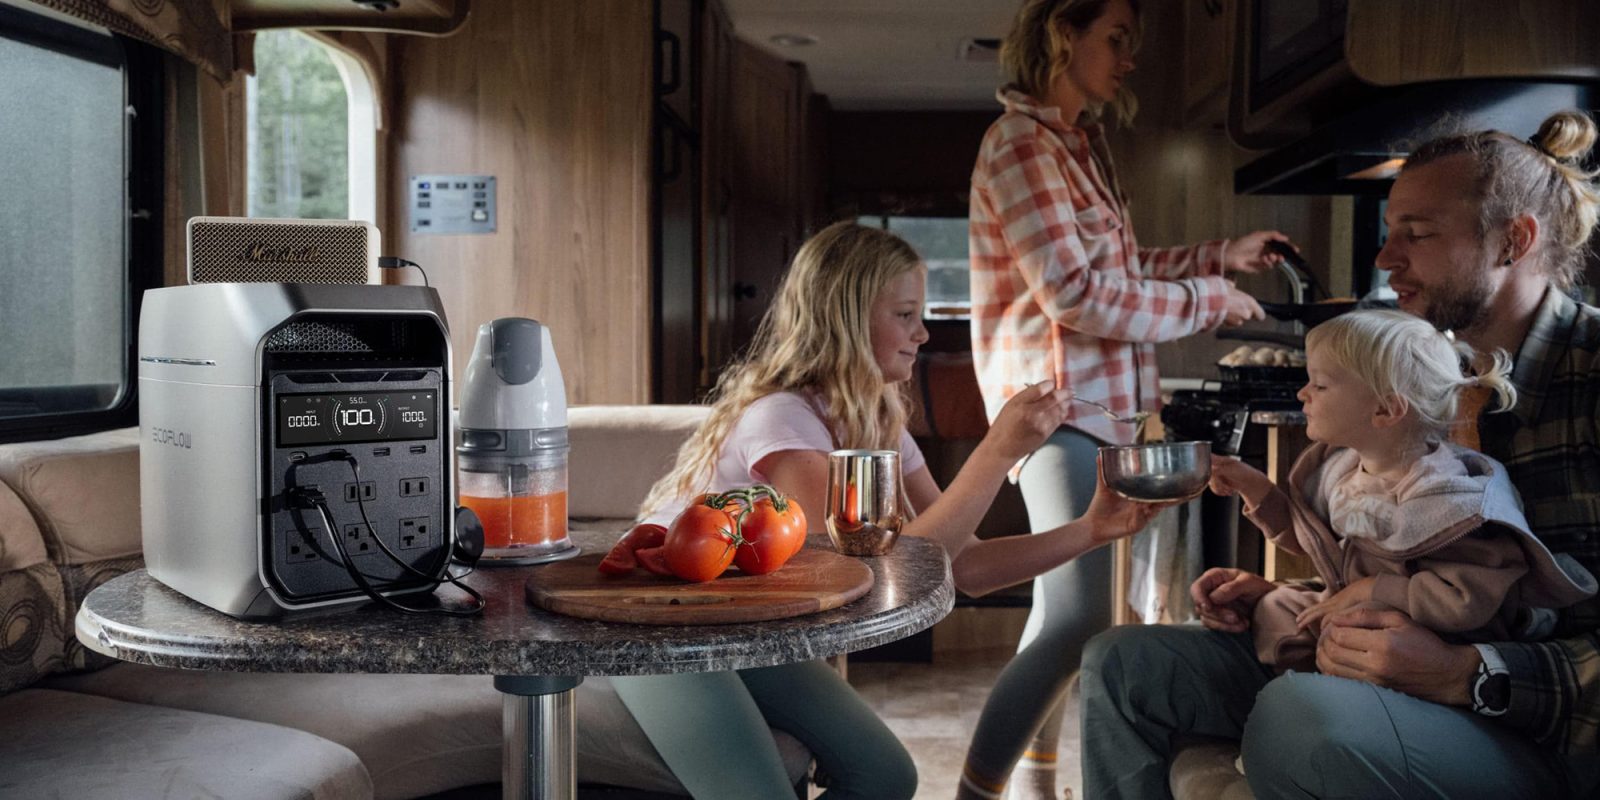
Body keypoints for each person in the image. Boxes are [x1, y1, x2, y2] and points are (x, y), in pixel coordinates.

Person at [1080, 109, 1600, 799]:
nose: (1386, 260)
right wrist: (1296, 602)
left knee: (1301, 719)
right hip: (1392, 685)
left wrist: (1465, 671)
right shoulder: (1423, 375)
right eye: (1389, 234)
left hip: (1539, 731)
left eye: (1415, 235)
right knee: (1123, 665)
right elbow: (1399, 560)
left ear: (1515, 240)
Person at [606, 221, 1169, 800]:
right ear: (847, 320)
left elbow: (965, 568)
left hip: (745, 634)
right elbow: (869, 575)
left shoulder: (876, 421)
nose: (922, 333)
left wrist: (1092, 530)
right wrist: (997, 452)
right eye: (904, 315)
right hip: (666, 638)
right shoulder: (783, 418)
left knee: (886, 777)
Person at [962, 0, 1298, 796]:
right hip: (1055, 408)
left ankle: (1036, 780)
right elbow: (1075, 294)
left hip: (1101, 408)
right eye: (1116, 38)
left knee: (1062, 614)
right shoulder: (1020, 144)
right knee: (1076, 615)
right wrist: (1207, 300)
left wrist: (1222, 257)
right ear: (1061, 34)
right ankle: (974, 792)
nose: (1129, 58)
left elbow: (1125, 265)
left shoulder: (1079, 145)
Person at [1208, 309, 1594, 676]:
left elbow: (1466, 601)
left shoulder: (1446, 498)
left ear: (1386, 410)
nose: (1302, 394)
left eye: (1320, 385)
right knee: (1277, 605)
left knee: (1320, 626)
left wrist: (1371, 589)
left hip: (1433, 636)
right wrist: (1254, 487)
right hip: (1361, 608)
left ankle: (1323, 688)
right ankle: (1310, 677)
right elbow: (1309, 539)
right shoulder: (1339, 470)